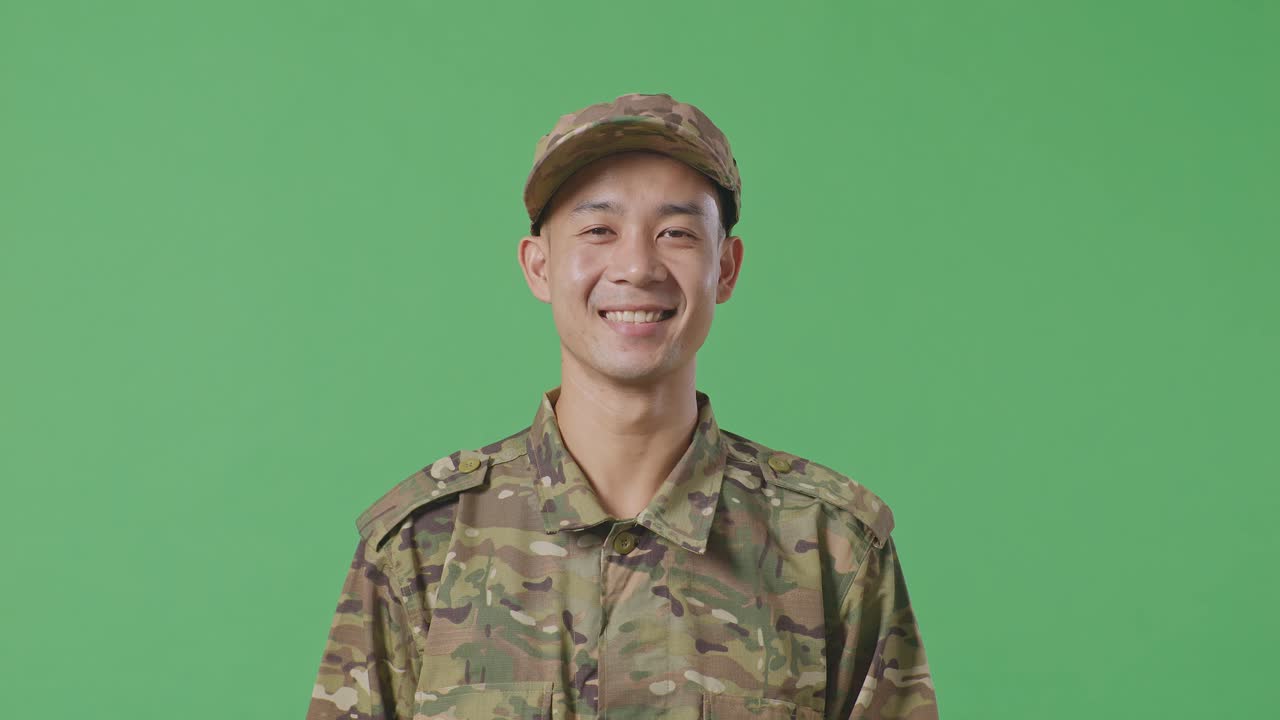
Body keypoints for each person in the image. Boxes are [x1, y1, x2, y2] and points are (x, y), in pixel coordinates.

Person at [305, 92, 939, 720]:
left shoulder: (831, 550)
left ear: (726, 268)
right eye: (599, 230)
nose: (636, 265)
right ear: (539, 265)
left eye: (677, 233)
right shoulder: (421, 547)